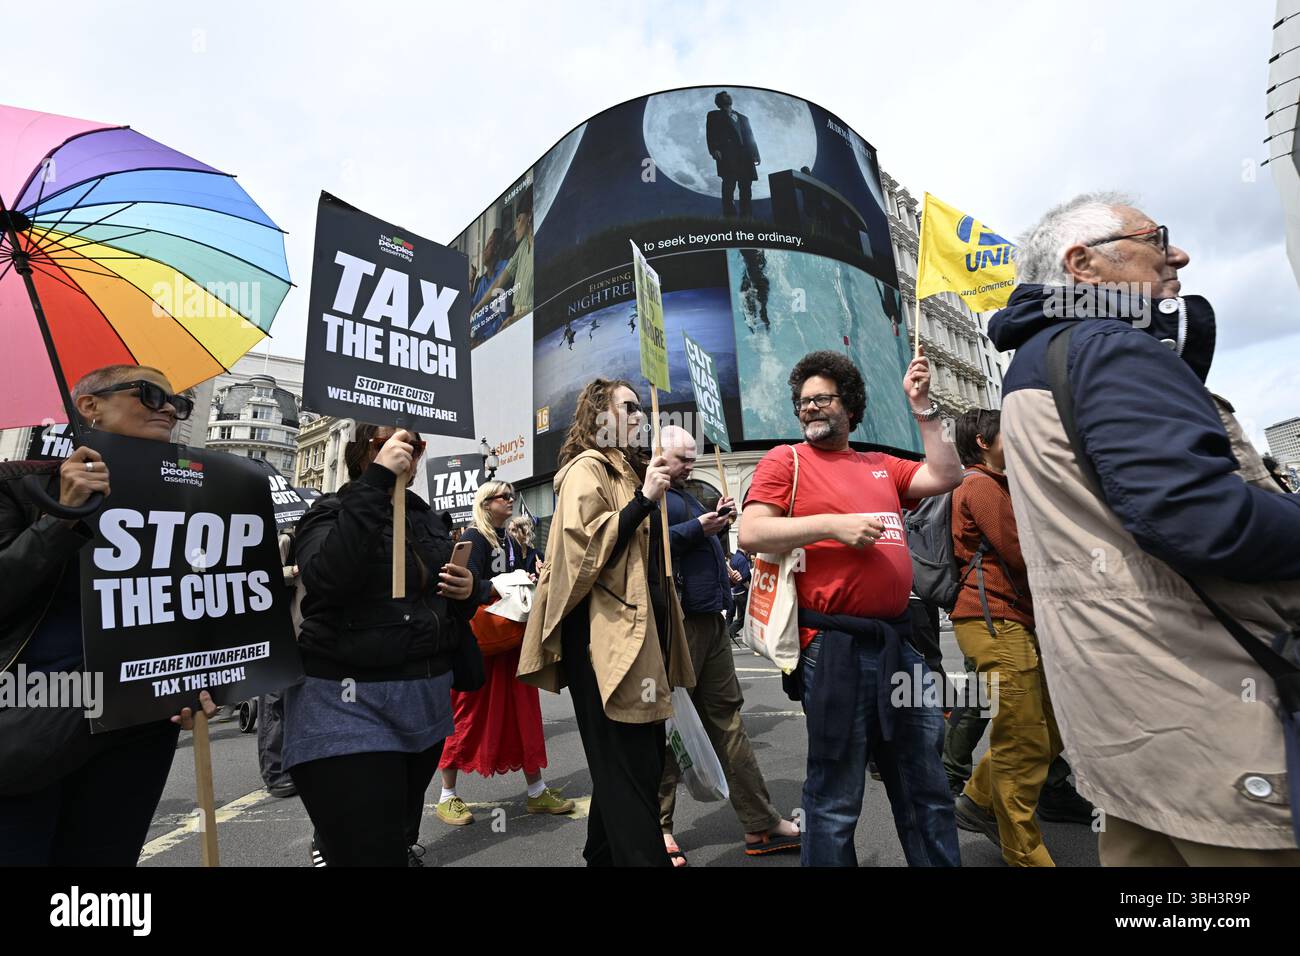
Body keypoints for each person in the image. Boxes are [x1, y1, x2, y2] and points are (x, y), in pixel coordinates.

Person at [989, 192, 1300, 865]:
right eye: (1155, 237)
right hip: (1215, 721)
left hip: (1125, 729)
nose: (1177, 253)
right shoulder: (1109, 346)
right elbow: (1201, 519)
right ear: (1084, 265)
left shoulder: (1038, 360)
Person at [738, 349, 964, 867]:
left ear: (850, 405)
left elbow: (946, 473)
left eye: (822, 398)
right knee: (836, 798)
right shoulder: (784, 460)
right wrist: (832, 526)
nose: (810, 408)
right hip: (832, 650)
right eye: (803, 401)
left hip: (898, 648)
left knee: (925, 788)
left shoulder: (880, 466)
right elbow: (752, 532)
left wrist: (923, 404)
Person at [0, 364, 216, 865]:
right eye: (149, 393)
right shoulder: (17, 486)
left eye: (178, 402)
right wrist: (63, 515)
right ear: (89, 406)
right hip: (28, 725)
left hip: (136, 726)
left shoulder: (194, 500)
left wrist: (207, 679)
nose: (168, 408)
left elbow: (202, 610)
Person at [518, 378, 694, 866]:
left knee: (635, 764)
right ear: (600, 415)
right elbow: (582, 550)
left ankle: (601, 856)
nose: (641, 415)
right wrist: (642, 502)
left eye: (642, 408)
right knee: (626, 766)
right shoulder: (586, 469)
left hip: (643, 640)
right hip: (604, 641)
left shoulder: (632, 470)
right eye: (629, 407)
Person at [283, 424, 477, 867]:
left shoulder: (425, 516)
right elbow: (327, 581)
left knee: (396, 836)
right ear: (362, 451)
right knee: (369, 851)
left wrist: (468, 588)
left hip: (422, 705)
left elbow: (434, 605)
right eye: (388, 442)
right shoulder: (329, 511)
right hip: (345, 703)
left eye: (415, 444)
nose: (405, 451)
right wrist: (376, 482)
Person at [656, 425, 801, 865]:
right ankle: (658, 825)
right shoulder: (650, 493)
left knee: (727, 720)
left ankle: (760, 821)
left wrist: (716, 520)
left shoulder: (688, 492)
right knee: (671, 725)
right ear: (660, 455)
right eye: (681, 458)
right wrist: (700, 528)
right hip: (677, 623)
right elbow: (650, 547)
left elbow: (696, 542)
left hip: (710, 618)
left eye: (691, 457)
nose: (689, 464)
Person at [946, 408, 1064, 866]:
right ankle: (1026, 855)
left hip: (1015, 620)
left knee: (1050, 730)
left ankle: (976, 801)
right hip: (994, 620)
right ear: (982, 440)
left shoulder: (999, 484)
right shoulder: (979, 485)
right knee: (1020, 741)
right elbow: (1021, 554)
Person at [436, 480, 575, 824]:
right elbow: (463, 585)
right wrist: (501, 584)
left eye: (511, 496)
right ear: (486, 503)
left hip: (510, 640)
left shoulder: (508, 538)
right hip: (482, 643)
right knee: (465, 714)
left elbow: (517, 572)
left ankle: (536, 790)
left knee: (523, 714)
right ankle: (447, 795)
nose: (510, 501)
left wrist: (527, 575)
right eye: (503, 496)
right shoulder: (473, 538)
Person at [480, 189, 534, 321]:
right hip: (516, 318)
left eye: (519, 220)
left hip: (529, 320)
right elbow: (499, 282)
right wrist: (477, 308)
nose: (515, 227)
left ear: (530, 217)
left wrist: (516, 319)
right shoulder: (521, 248)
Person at [705, 90, 761, 218]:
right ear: (718, 102)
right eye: (724, 96)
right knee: (729, 186)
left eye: (728, 95)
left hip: (745, 157)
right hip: (727, 155)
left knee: (746, 187)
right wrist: (714, 149)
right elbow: (710, 134)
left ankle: (746, 218)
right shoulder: (713, 115)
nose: (727, 97)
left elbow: (750, 137)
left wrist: (756, 154)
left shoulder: (743, 118)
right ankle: (730, 217)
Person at [725, 548, 751, 638]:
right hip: (742, 592)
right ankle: (728, 632)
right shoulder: (742, 559)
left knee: (739, 616)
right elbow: (743, 579)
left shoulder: (734, 558)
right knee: (742, 618)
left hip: (736, 591)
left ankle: (728, 632)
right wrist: (751, 590)